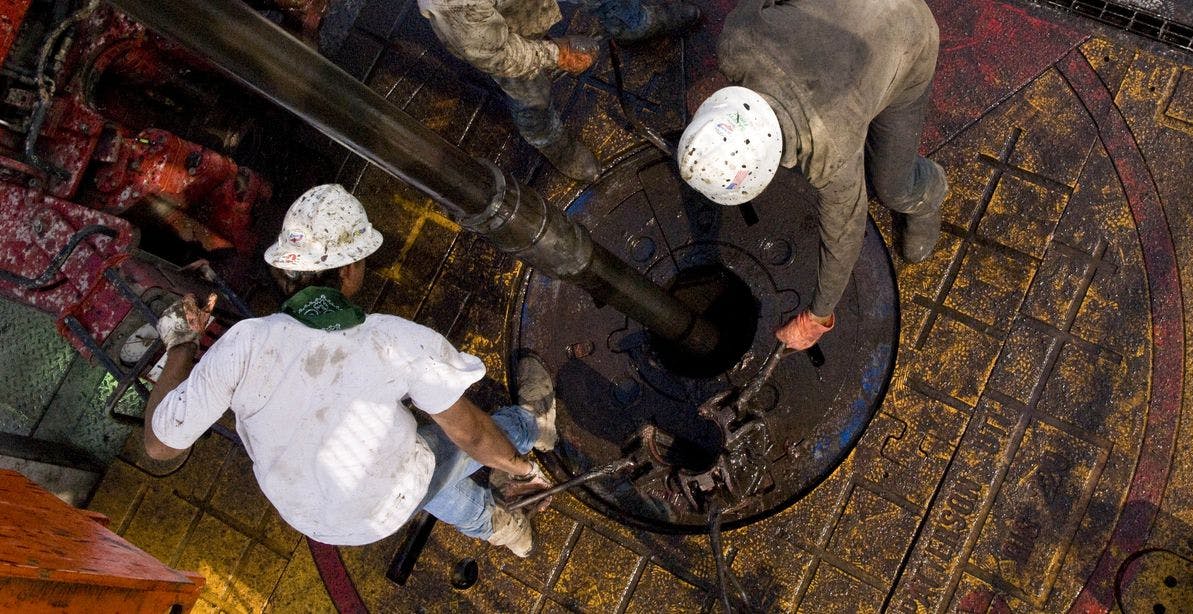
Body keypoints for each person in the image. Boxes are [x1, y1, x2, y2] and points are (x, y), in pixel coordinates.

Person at [143, 184, 559, 557]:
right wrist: (523, 470)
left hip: (317, 522)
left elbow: (160, 447)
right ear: (347, 270)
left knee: (411, 474)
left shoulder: (243, 344)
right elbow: (471, 434)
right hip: (387, 493)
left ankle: (499, 527)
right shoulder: (391, 341)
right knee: (457, 440)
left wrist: (182, 342)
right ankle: (534, 423)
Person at [677, 0, 946, 351]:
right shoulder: (736, 40)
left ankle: (927, 195)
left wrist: (818, 317)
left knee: (891, 186)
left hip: (906, 32)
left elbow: (845, 229)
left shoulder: (826, 148)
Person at [417, 0, 700, 181]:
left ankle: (633, 23)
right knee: (530, 91)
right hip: (495, 27)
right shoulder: (454, 4)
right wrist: (556, 54)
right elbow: (495, 53)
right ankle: (550, 140)